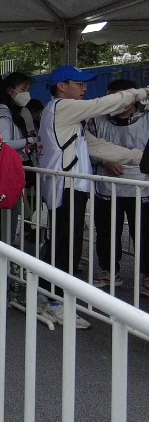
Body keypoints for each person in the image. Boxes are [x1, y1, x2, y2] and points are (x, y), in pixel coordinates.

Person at [36, 65, 149, 328]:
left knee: (62, 243)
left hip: (67, 186)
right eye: (80, 83)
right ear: (62, 86)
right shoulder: (63, 106)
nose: (85, 88)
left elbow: (95, 146)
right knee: (67, 247)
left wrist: (139, 158)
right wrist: (142, 92)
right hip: (67, 185)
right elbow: (104, 104)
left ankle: (47, 294)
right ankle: (56, 302)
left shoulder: (63, 113)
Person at [86, 79, 149, 294]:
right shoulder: (96, 120)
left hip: (141, 188)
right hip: (107, 187)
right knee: (106, 231)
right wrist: (104, 161)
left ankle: (147, 275)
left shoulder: (147, 118)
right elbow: (85, 149)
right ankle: (109, 269)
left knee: (144, 233)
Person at [0, 72, 37, 243]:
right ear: (9, 90)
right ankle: (4, 262)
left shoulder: (4, 110)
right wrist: (30, 141)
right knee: (8, 220)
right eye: (23, 89)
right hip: (6, 173)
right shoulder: (3, 111)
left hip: (3, 171)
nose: (26, 93)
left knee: (7, 220)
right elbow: (4, 143)